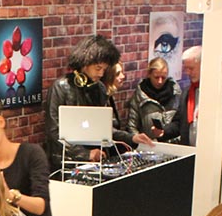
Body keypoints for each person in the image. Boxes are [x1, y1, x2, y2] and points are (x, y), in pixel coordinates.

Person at [44, 35, 152, 171]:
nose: (101, 74)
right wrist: (86, 154)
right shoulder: (60, 87)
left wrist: (132, 137)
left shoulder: (99, 88)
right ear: (85, 63)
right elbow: (53, 132)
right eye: (98, 68)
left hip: (95, 161)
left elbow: (103, 128)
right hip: (65, 163)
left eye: (104, 69)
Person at [127, 57, 182, 143]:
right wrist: (141, 143)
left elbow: (181, 122)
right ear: (149, 75)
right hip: (150, 144)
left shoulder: (176, 93)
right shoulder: (140, 95)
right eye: (156, 77)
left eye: (163, 77)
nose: (160, 81)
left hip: (174, 144)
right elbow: (132, 125)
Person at [178, 46, 202, 146]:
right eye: (186, 69)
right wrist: (162, 131)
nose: (188, 73)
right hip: (190, 151)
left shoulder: (221, 92)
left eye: (191, 68)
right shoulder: (187, 92)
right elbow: (178, 122)